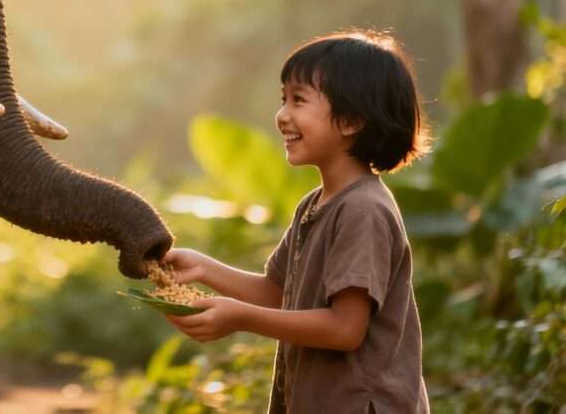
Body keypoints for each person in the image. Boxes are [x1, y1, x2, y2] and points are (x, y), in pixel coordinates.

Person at [163, 30, 430, 413]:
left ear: (351, 120)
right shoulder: (314, 205)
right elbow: (279, 291)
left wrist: (240, 318)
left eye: (298, 100)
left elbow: (345, 329)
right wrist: (203, 268)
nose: (282, 115)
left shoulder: (364, 210)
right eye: (282, 99)